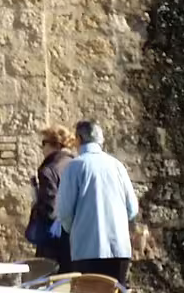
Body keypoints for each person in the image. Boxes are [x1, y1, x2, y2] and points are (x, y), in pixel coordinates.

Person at [54, 121, 140, 284]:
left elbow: (64, 212)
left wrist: (76, 230)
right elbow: (132, 209)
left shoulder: (75, 167)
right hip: (119, 250)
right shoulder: (117, 166)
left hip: (87, 250)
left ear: (78, 139)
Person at [26, 126, 75, 264]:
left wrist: (36, 207)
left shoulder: (48, 170)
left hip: (53, 239)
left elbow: (50, 209)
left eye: (43, 143)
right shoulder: (76, 165)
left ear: (54, 145)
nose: (42, 149)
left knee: (48, 278)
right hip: (74, 238)